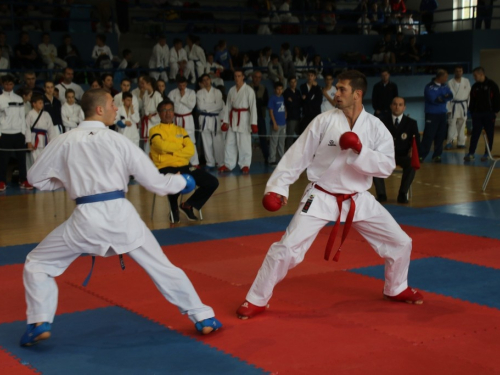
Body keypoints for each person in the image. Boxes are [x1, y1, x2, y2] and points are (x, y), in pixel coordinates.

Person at [20, 89, 222, 347]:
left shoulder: (64, 140)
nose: (117, 108)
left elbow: (35, 178)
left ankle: (39, 321)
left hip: (85, 220)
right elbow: (156, 182)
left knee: (37, 263)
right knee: (162, 268)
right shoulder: (119, 141)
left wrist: (69, 180)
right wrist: (182, 181)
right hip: (121, 218)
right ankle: (203, 317)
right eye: (112, 104)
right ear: (100, 109)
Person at [235, 70, 423, 321]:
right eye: (336, 89)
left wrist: (360, 149)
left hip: (358, 197)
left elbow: (387, 167)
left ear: (357, 94)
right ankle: (257, 298)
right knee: (287, 248)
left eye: (342, 89)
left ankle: (396, 287)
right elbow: (297, 154)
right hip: (321, 196)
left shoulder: (376, 127)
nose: (336, 93)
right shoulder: (324, 121)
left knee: (401, 242)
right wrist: (278, 187)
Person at [150, 99, 219, 222]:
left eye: (170, 110)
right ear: (159, 113)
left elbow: (190, 150)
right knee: (175, 179)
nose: (168, 113)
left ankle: (188, 205)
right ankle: (173, 208)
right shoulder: (154, 130)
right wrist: (179, 148)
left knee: (212, 182)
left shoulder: (181, 130)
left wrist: (171, 151)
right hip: (164, 167)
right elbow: (160, 146)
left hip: (184, 166)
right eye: (164, 110)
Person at [373, 97, 420, 204]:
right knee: (374, 162)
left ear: (404, 107)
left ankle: (403, 194)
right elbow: (376, 138)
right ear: (391, 106)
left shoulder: (411, 123)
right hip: (386, 155)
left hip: (403, 155)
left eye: (400, 104)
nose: (397, 107)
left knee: (411, 164)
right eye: (395, 104)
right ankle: (381, 194)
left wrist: (413, 149)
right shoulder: (382, 121)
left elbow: (416, 141)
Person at [218, 69, 258, 174]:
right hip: (233, 119)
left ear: (243, 77)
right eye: (235, 76)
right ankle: (228, 164)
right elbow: (228, 107)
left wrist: (253, 123)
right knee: (229, 143)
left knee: (244, 143)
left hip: (244, 118)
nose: (237, 78)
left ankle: (245, 164)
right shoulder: (231, 90)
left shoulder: (249, 90)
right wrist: (225, 121)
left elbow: (253, 107)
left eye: (239, 76)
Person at [0, 75, 33, 191]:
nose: (8, 86)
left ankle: (23, 180)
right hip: (4, 133)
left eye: (10, 84)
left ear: (13, 85)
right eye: (6, 84)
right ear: (2, 84)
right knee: (3, 159)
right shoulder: (0, 99)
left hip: (19, 133)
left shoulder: (19, 99)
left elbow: (22, 118)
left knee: (22, 159)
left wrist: (23, 132)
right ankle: (2, 181)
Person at [464, 67, 500, 162]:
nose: (474, 77)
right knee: (475, 134)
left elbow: (497, 99)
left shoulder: (492, 85)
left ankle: (487, 153)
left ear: (481, 74)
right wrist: (472, 112)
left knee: (489, 134)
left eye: (475, 75)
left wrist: (495, 111)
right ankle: (471, 153)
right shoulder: (475, 86)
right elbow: (472, 100)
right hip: (477, 115)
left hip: (489, 114)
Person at [419, 69, 453, 163]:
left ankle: (437, 155)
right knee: (428, 135)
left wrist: (442, 97)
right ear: (440, 77)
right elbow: (434, 99)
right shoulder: (429, 87)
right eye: (445, 77)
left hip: (442, 114)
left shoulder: (445, 86)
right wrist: (443, 97)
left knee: (441, 135)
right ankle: (421, 155)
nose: (447, 79)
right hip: (432, 114)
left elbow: (450, 95)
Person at [167, 76, 199, 167]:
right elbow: (170, 106)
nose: (182, 87)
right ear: (177, 84)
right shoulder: (172, 93)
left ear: (186, 84)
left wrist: (182, 96)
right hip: (176, 119)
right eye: (180, 85)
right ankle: (179, 162)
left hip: (187, 119)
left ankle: (195, 162)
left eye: (184, 85)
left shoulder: (191, 92)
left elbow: (191, 106)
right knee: (177, 140)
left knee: (191, 140)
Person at [196, 74, 224, 168]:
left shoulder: (217, 92)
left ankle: (220, 162)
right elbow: (200, 106)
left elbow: (219, 106)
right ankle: (210, 163)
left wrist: (207, 107)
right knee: (206, 142)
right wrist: (213, 106)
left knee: (218, 141)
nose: (206, 81)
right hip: (204, 119)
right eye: (204, 80)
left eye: (207, 79)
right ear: (202, 82)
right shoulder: (199, 93)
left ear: (210, 80)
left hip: (216, 118)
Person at [445, 66, 471, 150]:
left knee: (462, 124)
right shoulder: (450, 82)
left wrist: (468, 106)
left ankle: (461, 143)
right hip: (453, 105)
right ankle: (449, 142)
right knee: (451, 124)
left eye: (460, 71)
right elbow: (448, 97)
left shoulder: (466, 81)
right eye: (457, 71)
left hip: (463, 105)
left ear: (462, 72)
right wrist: (448, 109)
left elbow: (469, 94)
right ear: (454, 72)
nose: (459, 72)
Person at [25, 94, 56, 162]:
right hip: (34, 139)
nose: (42, 104)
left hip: (44, 139)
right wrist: (28, 142)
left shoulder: (46, 114)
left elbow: (51, 129)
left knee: (44, 160)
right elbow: (27, 128)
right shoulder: (30, 114)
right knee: (34, 160)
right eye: (40, 103)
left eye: (42, 103)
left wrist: (52, 142)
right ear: (34, 104)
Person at [251, 70, 270, 164]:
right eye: (255, 77)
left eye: (259, 77)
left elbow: (266, 102)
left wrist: (258, 101)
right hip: (248, 117)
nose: (257, 79)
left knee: (263, 137)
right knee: (246, 138)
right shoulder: (247, 88)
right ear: (252, 77)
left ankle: (267, 157)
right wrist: (259, 100)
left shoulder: (263, 88)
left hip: (260, 116)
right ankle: (245, 161)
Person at [140, 76, 163, 153]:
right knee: (146, 144)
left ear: (149, 83)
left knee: (153, 142)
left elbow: (161, 110)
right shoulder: (145, 94)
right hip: (147, 122)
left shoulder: (157, 95)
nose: (142, 85)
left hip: (154, 123)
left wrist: (152, 117)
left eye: (143, 83)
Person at [268, 82, 287, 166]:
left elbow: (284, 107)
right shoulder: (272, 98)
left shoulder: (282, 97)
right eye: (278, 89)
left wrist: (285, 114)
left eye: (281, 89)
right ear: (275, 90)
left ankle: (282, 158)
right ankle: (272, 159)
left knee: (281, 142)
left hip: (283, 123)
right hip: (276, 124)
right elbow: (271, 111)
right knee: (274, 142)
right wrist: (274, 123)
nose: (279, 91)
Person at [298, 70, 322, 135]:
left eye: (312, 75)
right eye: (308, 75)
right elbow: (307, 99)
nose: (310, 77)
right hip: (306, 113)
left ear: (314, 77)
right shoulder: (303, 86)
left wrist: (307, 99)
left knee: (315, 132)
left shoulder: (318, 88)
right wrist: (313, 87)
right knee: (304, 132)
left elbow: (319, 101)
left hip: (315, 113)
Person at [283, 75, 301, 150]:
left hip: (298, 116)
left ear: (296, 83)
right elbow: (289, 104)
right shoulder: (286, 92)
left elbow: (300, 103)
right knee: (289, 137)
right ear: (289, 83)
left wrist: (293, 101)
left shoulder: (297, 91)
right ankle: (287, 153)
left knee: (300, 136)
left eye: (294, 82)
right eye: (291, 82)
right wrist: (295, 101)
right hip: (291, 117)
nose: (293, 84)